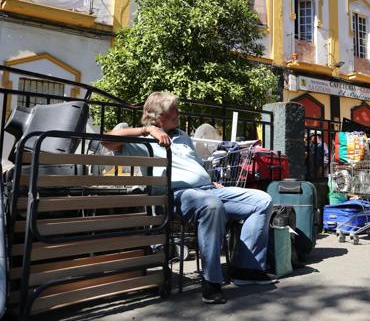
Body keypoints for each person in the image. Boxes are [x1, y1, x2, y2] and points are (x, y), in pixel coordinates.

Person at [102, 92, 276, 305]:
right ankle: (211, 282)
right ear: (158, 116)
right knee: (211, 206)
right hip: (178, 194)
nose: (178, 114)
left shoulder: (182, 136)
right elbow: (107, 141)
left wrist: (211, 183)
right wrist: (148, 130)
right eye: (172, 111)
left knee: (262, 200)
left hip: (208, 189)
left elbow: (195, 167)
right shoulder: (142, 140)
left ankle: (247, 269)